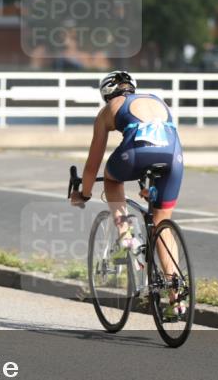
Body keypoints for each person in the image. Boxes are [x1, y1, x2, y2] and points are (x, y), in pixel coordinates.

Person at [70, 70, 186, 320]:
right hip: (173, 158)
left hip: (136, 154)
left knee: (112, 179)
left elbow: (93, 164)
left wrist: (84, 193)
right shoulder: (156, 100)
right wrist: (148, 187)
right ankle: (176, 299)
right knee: (161, 223)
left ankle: (125, 237)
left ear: (107, 93)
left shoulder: (108, 110)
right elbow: (156, 138)